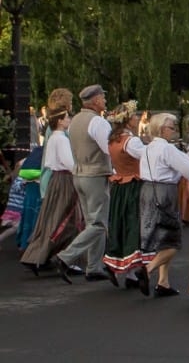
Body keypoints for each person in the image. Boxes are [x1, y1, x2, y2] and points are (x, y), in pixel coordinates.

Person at [55, 84, 118, 285]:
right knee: (99, 223)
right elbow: (109, 149)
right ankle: (66, 257)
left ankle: (93, 267)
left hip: (79, 174)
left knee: (93, 221)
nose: (105, 101)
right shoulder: (98, 123)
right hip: (95, 175)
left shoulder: (75, 122)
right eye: (103, 97)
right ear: (96, 100)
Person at [136, 112, 189, 296]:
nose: (174, 131)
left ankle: (163, 282)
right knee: (173, 240)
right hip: (164, 192)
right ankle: (148, 270)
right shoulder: (168, 149)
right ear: (163, 129)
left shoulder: (147, 148)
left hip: (147, 190)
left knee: (161, 237)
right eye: (172, 128)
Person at [20, 100, 82, 274]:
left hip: (56, 180)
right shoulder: (61, 139)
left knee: (51, 218)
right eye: (67, 117)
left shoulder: (53, 137)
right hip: (65, 181)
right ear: (60, 121)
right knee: (67, 219)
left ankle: (37, 256)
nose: (69, 119)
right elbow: (70, 164)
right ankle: (64, 259)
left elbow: (48, 161)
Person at [102, 101, 145, 287]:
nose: (137, 118)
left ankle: (120, 267)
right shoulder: (131, 141)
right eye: (134, 115)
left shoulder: (113, 140)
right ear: (128, 119)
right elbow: (146, 157)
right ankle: (133, 272)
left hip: (119, 186)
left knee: (121, 224)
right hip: (133, 186)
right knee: (134, 225)